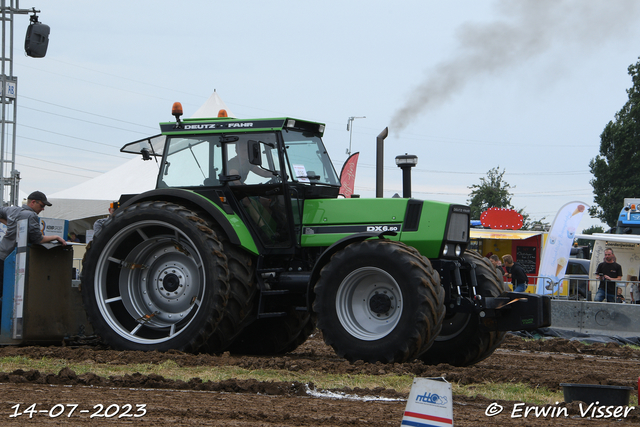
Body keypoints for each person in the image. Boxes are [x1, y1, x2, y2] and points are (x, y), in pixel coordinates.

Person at [0, 191, 67, 286]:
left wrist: (9, 224)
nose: (43, 209)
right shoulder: (31, 215)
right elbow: (38, 239)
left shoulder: (12, 210)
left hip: (2, 254)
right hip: (13, 259)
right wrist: (55, 237)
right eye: (42, 205)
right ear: (33, 202)